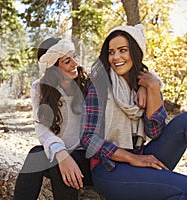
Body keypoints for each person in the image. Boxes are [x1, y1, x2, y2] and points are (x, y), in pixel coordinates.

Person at [80, 24, 187, 200]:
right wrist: (131, 158)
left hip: (141, 155)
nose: (116, 57)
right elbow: (88, 138)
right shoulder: (100, 84)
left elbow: (155, 132)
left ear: (135, 52)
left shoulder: (147, 82)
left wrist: (152, 88)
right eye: (111, 52)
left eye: (123, 50)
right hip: (109, 167)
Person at [13, 37, 93, 200]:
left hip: (86, 156)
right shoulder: (39, 87)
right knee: (36, 154)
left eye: (74, 57)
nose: (75, 63)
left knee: (56, 164)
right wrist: (61, 153)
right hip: (58, 153)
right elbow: (41, 128)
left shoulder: (88, 82)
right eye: (67, 61)